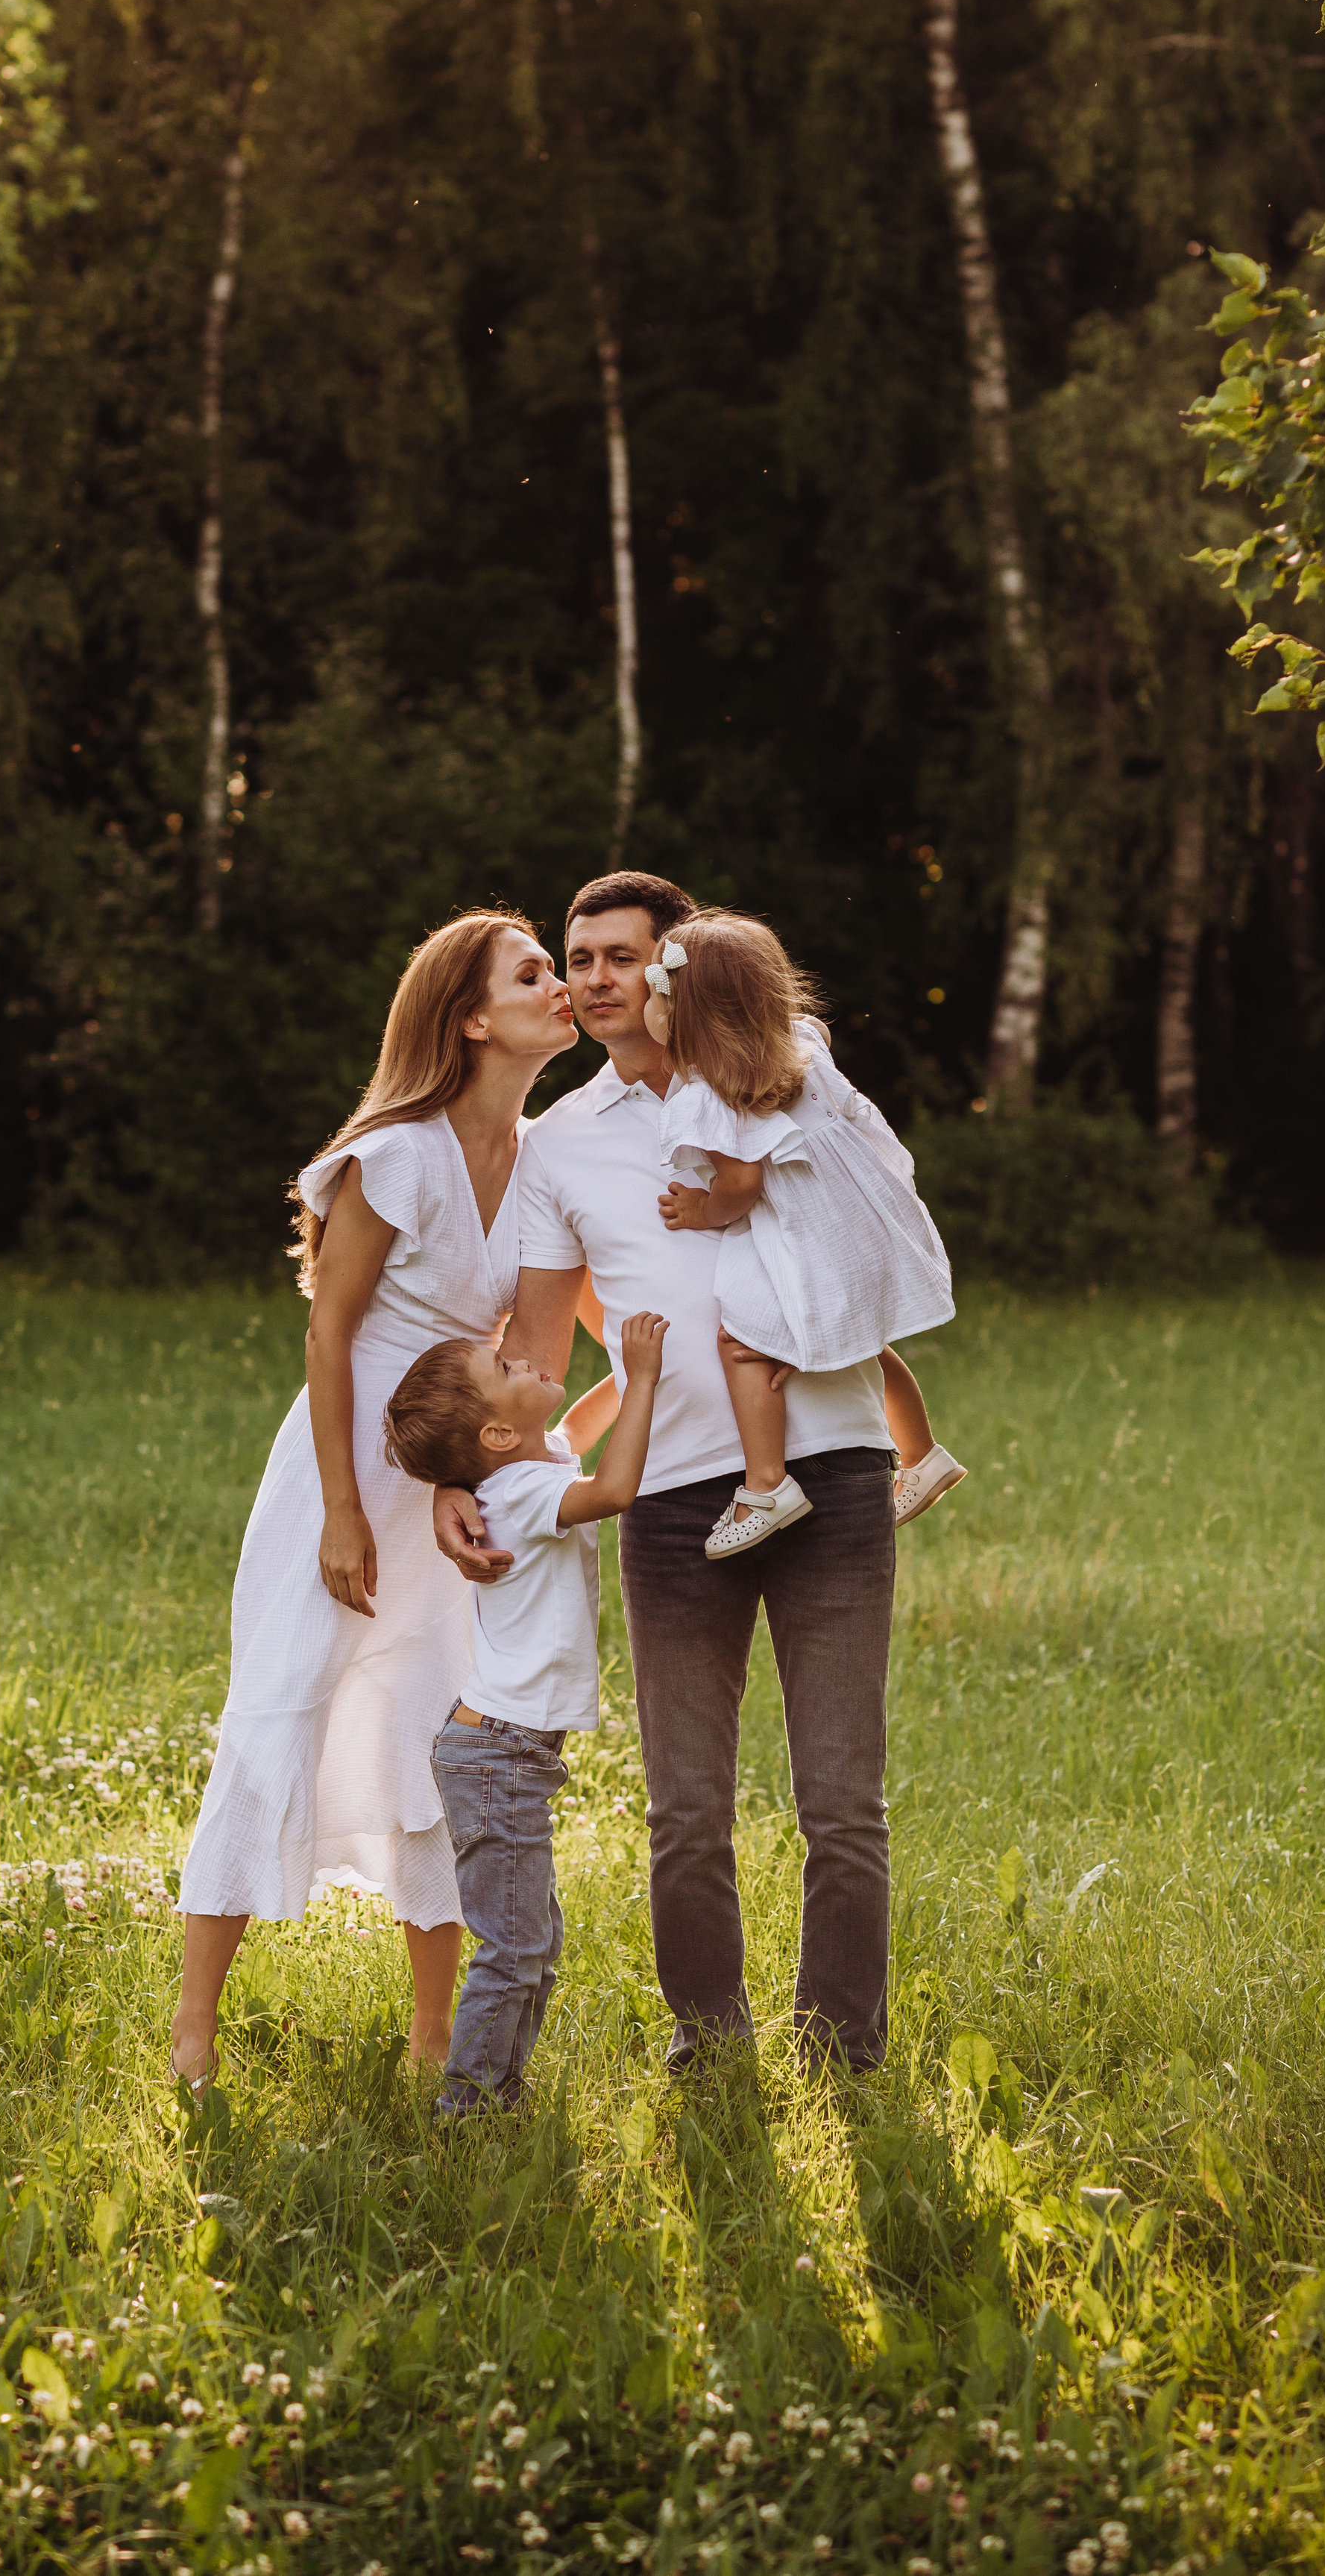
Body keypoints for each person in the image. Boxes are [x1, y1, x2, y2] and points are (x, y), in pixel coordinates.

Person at [435, 870, 914, 2076]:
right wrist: (465, 1469)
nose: (591, 976)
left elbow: (878, 1210)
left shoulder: (776, 1078)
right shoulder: (565, 1144)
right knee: (686, 1809)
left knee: (842, 1800)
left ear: (673, 965)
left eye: (616, 956)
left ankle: (844, 2055)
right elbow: (538, 1347)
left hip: (837, 1468)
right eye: (576, 956)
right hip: (672, 1502)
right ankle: (711, 2045)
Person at [169, 911, 576, 2090]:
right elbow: (330, 1327)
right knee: (283, 1698)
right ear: (469, 1014)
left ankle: (436, 2030)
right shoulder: (398, 1152)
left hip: (453, 1471)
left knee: (437, 1728)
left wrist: (474, 1485)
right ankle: (195, 2029)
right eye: (533, 973)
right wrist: (345, 1507)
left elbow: (536, 1360)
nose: (559, 987)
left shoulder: (543, 1159)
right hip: (343, 1463)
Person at [383, 1310, 668, 2116]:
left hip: (501, 1750)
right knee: (515, 1951)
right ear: (500, 1437)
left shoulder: (525, 1468)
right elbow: (612, 1490)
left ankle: (500, 2093)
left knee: (532, 1948)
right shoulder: (529, 1491)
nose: (523, 1359)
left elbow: (577, 1426)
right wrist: (643, 1378)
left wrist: (648, 1363)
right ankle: (468, 2114)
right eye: (505, 1370)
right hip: (499, 1754)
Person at [643, 907, 963, 1556]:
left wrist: (698, 1210)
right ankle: (924, 1453)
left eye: (657, 994)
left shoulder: (713, 1091)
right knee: (864, 1340)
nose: (650, 1008)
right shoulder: (800, 1045)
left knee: (740, 1341)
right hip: (862, 1225)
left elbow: (741, 1187)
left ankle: (766, 1484)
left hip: (811, 1237)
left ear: (685, 1014)